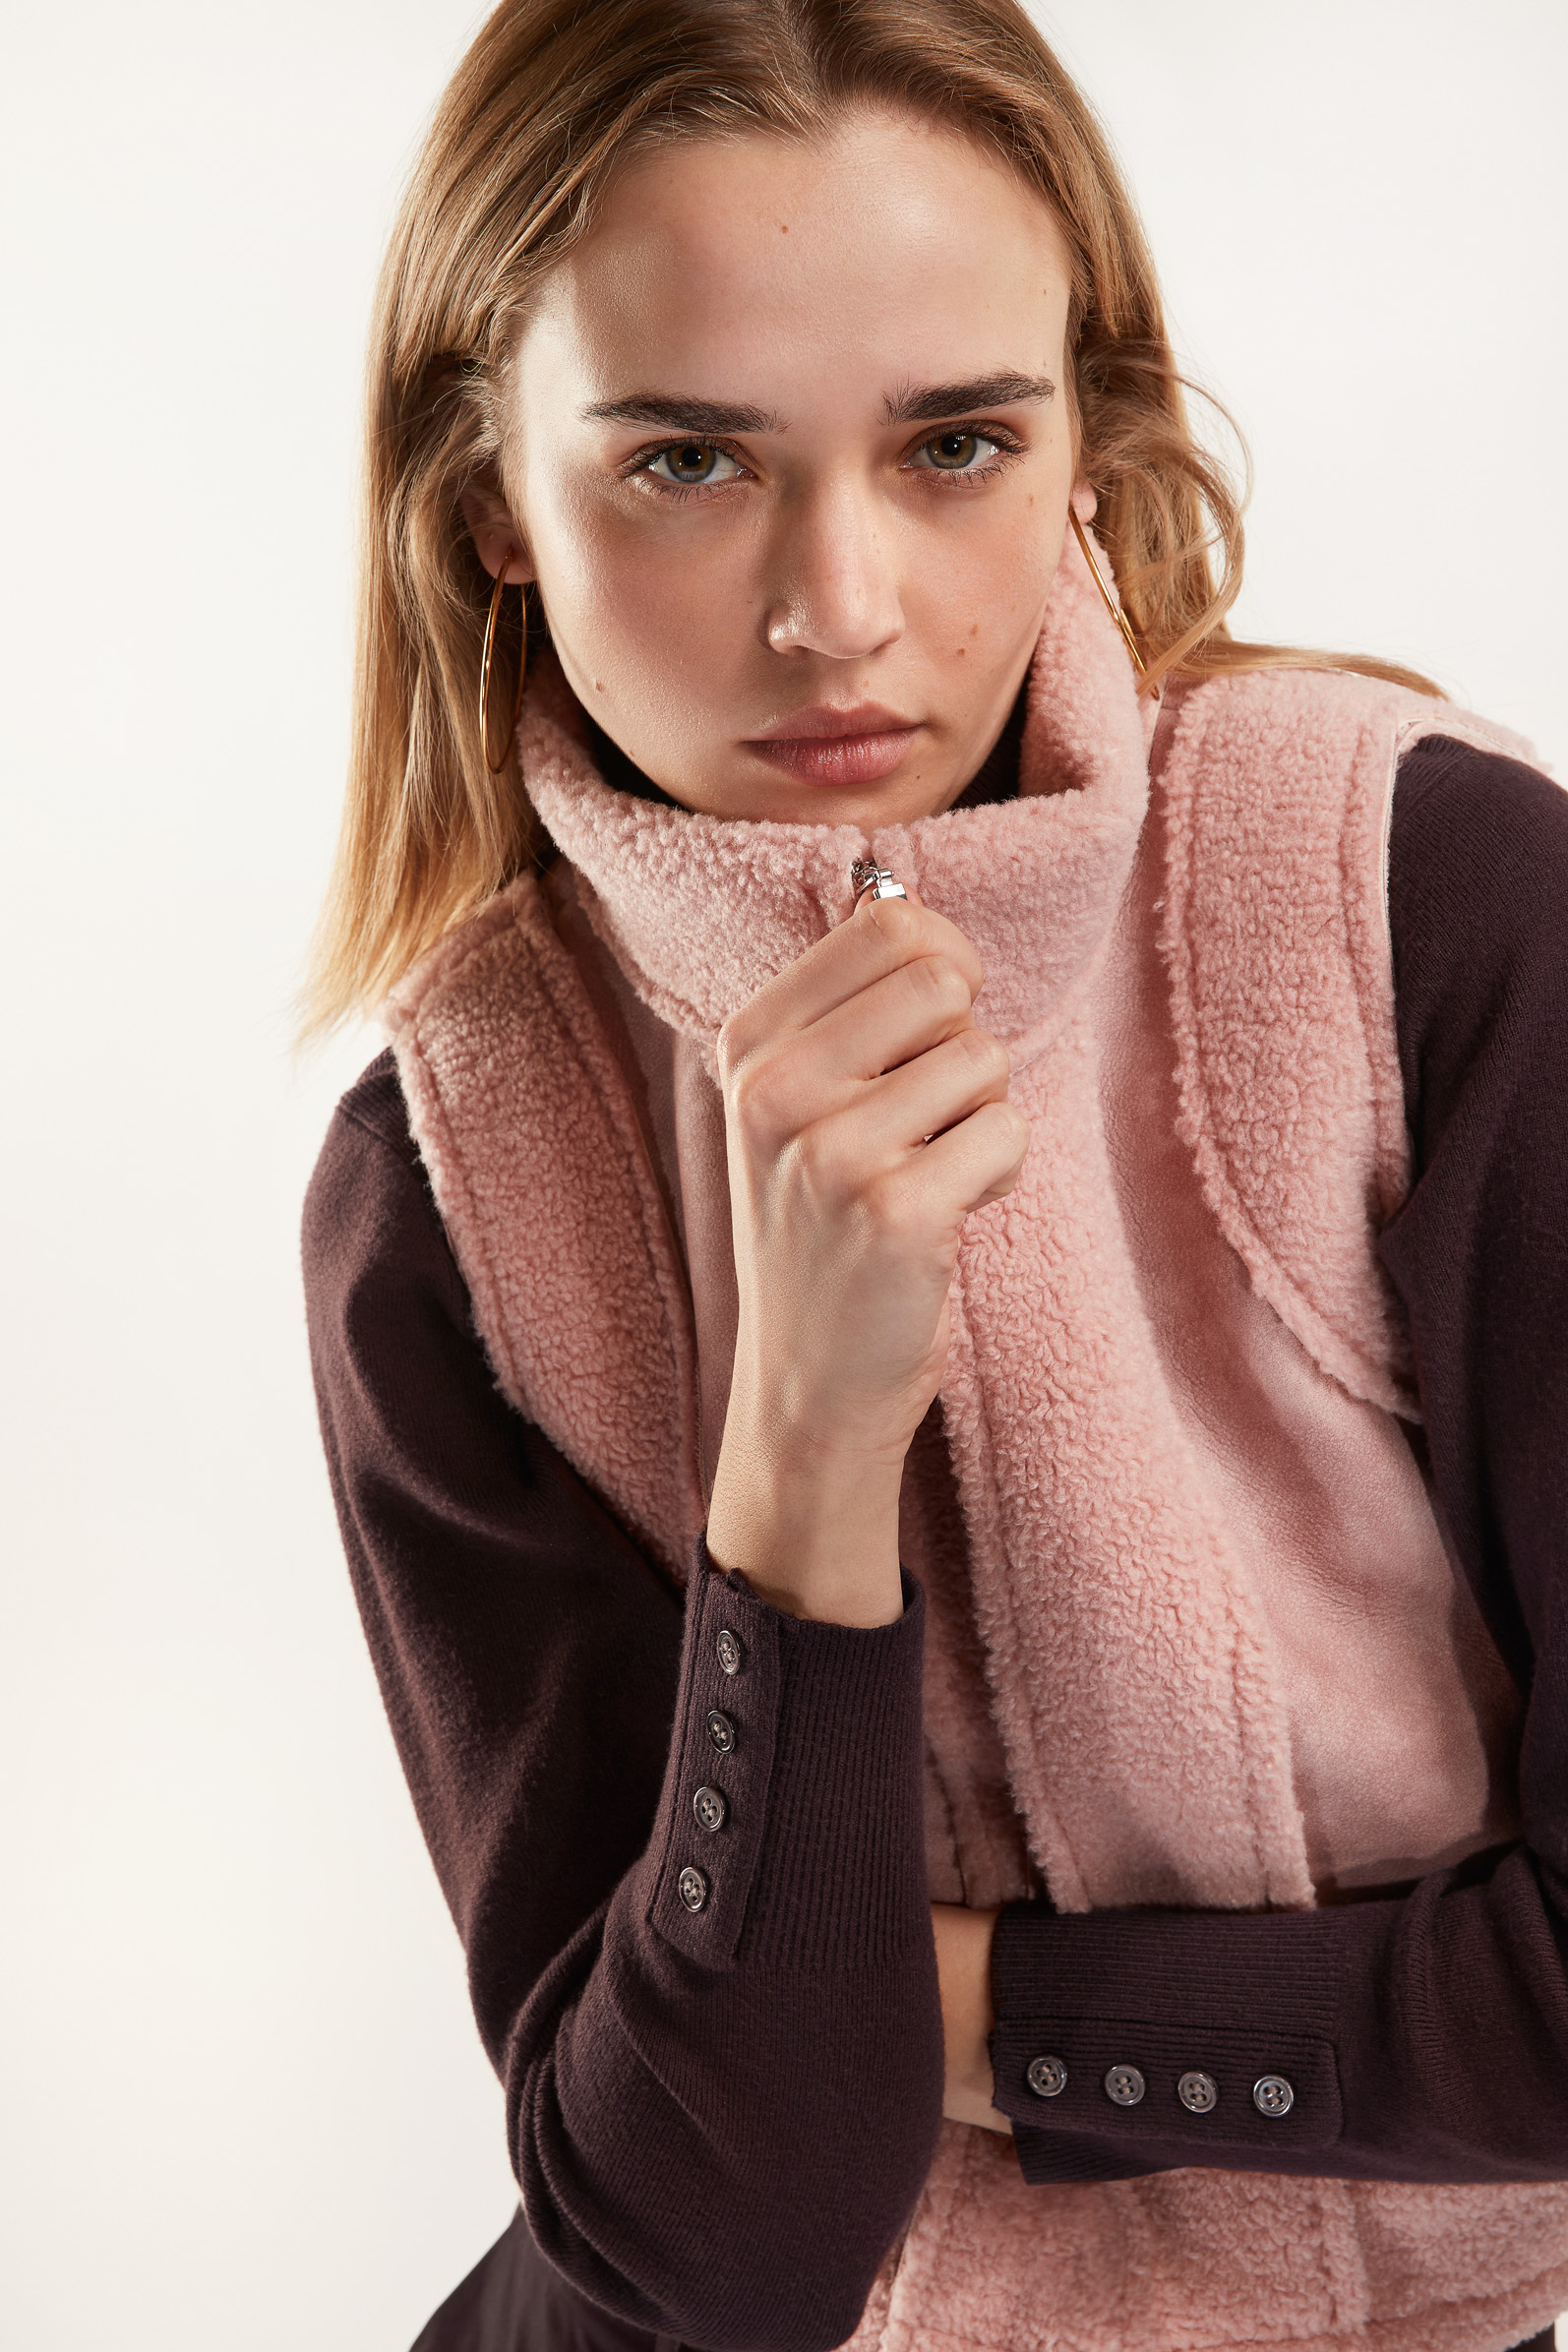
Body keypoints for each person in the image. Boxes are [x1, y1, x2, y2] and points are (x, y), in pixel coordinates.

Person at [300, 3, 1568, 2347]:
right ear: (488, 500)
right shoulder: (450, 1175)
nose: (839, 607)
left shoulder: (1418, 908)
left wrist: (987, 2020)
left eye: (953, 442)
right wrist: (796, 1464)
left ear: (1084, 441)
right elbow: (706, 2246)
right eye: (686, 461)